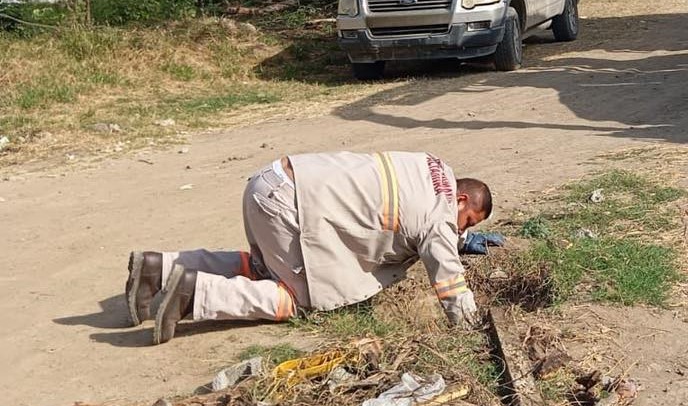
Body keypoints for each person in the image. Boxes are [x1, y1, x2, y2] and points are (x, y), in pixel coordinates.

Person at [124, 151, 491, 345]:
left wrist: (461, 240)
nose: (462, 231)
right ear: (460, 199)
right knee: (296, 299)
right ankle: (193, 294)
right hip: (289, 205)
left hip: (271, 181)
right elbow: (450, 284)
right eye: (468, 222)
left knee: (262, 270)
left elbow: (426, 225)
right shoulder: (438, 216)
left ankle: (158, 268)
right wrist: (472, 329)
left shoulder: (428, 168)